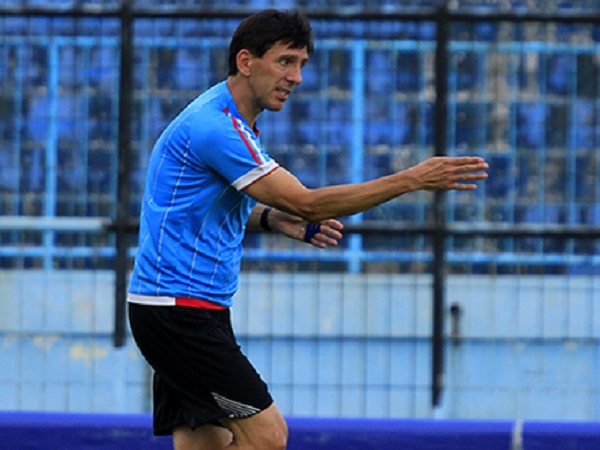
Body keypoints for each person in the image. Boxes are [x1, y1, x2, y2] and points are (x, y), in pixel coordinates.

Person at [127, 8, 488, 450]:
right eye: (285, 61)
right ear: (246, 61)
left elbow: (192, 209)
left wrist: (270, 219)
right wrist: (412, 179)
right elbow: (307, 202)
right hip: (178, 312)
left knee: (208, 444)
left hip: (185, 308)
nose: (296, 78)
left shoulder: (229, 119)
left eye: (301, 64)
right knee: (267, 437)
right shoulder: (216, 126)